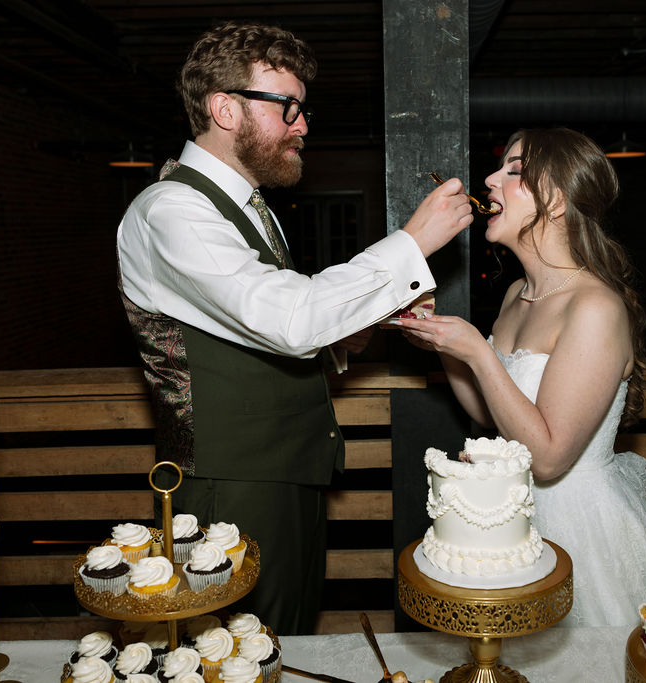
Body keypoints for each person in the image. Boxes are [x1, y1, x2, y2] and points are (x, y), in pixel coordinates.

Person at [116, 21, 473, 635]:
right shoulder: (171, 210)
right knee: (235, 653)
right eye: (288, 107)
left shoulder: (248, 207)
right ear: (224, 108)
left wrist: (350, 337)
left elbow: (255, 328)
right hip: (230, 483)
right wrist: (414, 243)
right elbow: (289, 319)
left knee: (286, 641)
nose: (303, 124)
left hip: (286, 470)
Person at [390, 127, 646, 626]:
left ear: (556, 200)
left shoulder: (595, 306)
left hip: (579, 527)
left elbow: (550, 457)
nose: (490, 179)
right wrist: (445, 348)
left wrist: (477, 350)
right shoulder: (516, 294)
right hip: (511, 526)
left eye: (514, 171)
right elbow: (492, 414)